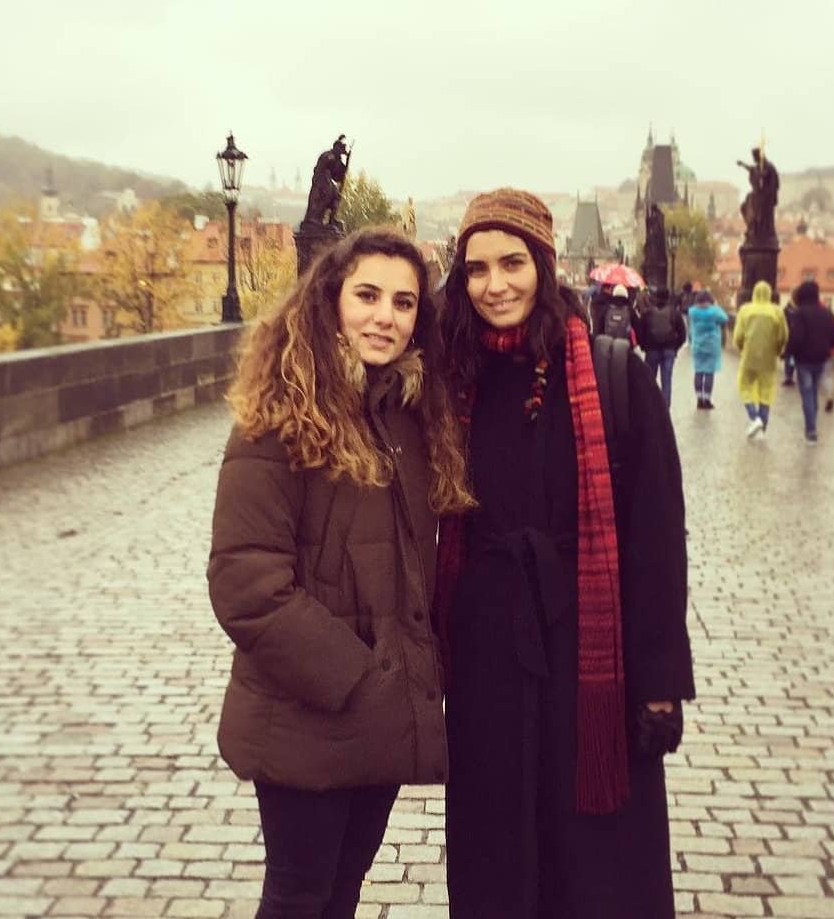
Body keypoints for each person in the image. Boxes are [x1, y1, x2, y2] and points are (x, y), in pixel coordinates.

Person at [437, 188, 696, 919]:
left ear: (544, 267)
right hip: (488, 661)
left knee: (595, 865)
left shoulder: (615, 377)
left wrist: (659, 682)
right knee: (496, 857)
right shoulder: (453, 380)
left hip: (591, 664)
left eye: (512, 263)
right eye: (477, 268)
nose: (495, 285)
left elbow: (656, 539)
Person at [207, 227, 474, 919]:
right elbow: (246, 584)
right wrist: (358, 678)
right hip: (310, 710)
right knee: (298, 897)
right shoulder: (278, 417)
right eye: (368, 296)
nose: (386, 316)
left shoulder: (410, 416)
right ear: (331, 301)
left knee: (342, 891)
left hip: (378, 714)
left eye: (404, 303)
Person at [784, 279, 834, 445]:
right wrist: (827, 347)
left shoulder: (800, 313)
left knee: (807, 394)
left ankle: (811, 431)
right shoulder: (826, 312)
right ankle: (812, 426)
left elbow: (796, 337)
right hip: (821, 358)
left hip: (804, 360)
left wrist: (788, 352)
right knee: (814, 392)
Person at [733, 280, 789, 439]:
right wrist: (778, 349)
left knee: (743, 386)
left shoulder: (745, 310)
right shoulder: (777, 311)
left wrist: (741, 348)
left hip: (749, 356)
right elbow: (784, 335)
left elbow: (738, 336)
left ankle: (754, 417)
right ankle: (762, 430)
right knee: (766, 392)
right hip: (769, 358)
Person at [635, 287, 687, 409]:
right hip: (669, 350)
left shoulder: (647, 313)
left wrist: (644, 346)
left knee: (650, 379)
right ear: (668, 297)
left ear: (655, 296)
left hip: (652, 350)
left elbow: (640, 332)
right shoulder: (674, 312)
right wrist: (675, 347)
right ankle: (665, 407)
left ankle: (650, 406)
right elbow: (682, 334)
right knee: (666, 380)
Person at [686, 289, 729, 409]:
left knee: (698, 371)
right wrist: (716, 306)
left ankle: (699, 399)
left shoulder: (692, 311)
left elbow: (690, 326)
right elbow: (725, 318)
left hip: (697, 345)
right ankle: (707, 399)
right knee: (709, 373)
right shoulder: (714, 311)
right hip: (711, 345)